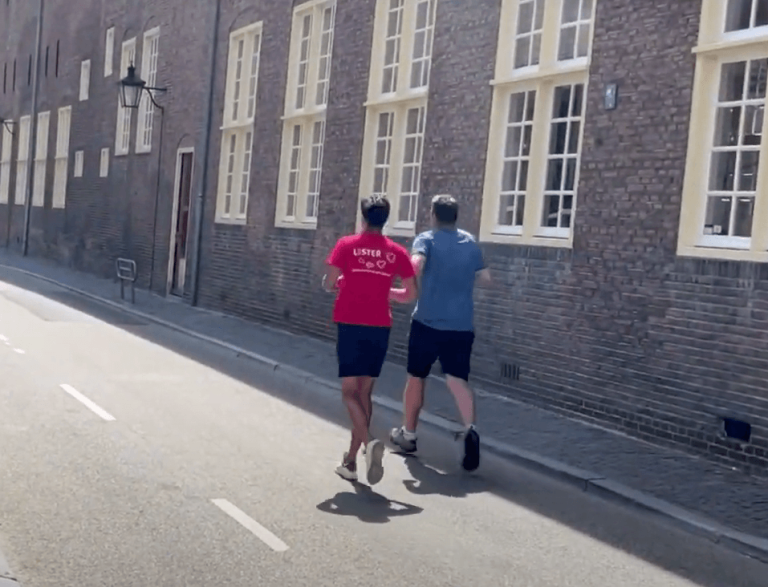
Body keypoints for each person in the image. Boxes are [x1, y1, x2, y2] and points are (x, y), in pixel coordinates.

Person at [390, 195, 491, 472]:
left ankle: (408, 436)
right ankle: (470, 429)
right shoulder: (470, 242)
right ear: (456, 216)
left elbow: (416, 265)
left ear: (433, 214)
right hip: (461, 325)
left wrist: (408, 271)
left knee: (416, 377)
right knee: (457, 379)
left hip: (428, 322)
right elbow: (486, 278)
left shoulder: (427, 238)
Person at [323, 195, 418, 484]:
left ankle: (369, 445)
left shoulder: (346, 245)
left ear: (363, 218)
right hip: (379, 326)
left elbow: (329, 282)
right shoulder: (397, 252)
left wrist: (340, 283)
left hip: (351, 323)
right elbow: (410, 294)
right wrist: (385, 292)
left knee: (349, 393)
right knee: (365, 394)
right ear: (385, 219)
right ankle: (351, 462)